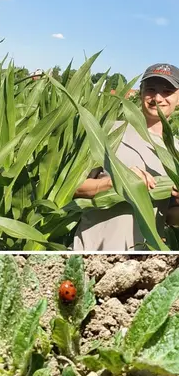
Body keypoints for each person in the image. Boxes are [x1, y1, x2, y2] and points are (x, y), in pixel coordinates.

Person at [73, 63, 179, 250]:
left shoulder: (176, 150)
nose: (157, 98)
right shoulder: (109, 131)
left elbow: (170, 217)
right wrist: (117, 181)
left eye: (168, 91)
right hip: (92, 248)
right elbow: (72, 188)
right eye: (151, 89)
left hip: (143, 252)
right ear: (140, 92)